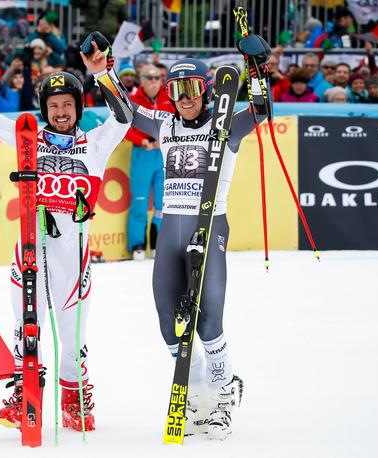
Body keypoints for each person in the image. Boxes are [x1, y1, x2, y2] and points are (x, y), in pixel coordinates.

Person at [0, 32, 134, 432]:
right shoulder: (28, 137)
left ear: (78, 108)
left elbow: (125, 116)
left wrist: (103, 73)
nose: (60, 112)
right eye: (53, 105)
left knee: (73, 336)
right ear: (44, 109)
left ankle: (74, 399)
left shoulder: (94, 144)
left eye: (67, 105)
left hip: (74, 259)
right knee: (26, 325)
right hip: (29, 252)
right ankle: (24, 392)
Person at [130, 45, 271, 440]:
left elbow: (261, 110)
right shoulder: (164, 124)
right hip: (170, 230)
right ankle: (194, 396)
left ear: (208, 90)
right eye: (176, 90)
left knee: (208, 322)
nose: (185, 98)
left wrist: (255, 68)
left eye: (192, 88)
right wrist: (101, 73)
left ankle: (223, 396)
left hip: (211, 228)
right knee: (168, 325)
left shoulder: (225, 126)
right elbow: (125, 112)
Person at [125, 64, 174, 260]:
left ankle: (158, 242)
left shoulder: (168, 98)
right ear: (142, 81)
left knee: (163, 202)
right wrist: (142, 141)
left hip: (163, 153)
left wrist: (165, 140)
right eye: (149, 78)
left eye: (157, 78)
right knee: (139, 200)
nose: (154, 81)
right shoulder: (133, 100)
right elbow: (125, 127)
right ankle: (137, 243)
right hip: (142, 153)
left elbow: (175, 121)